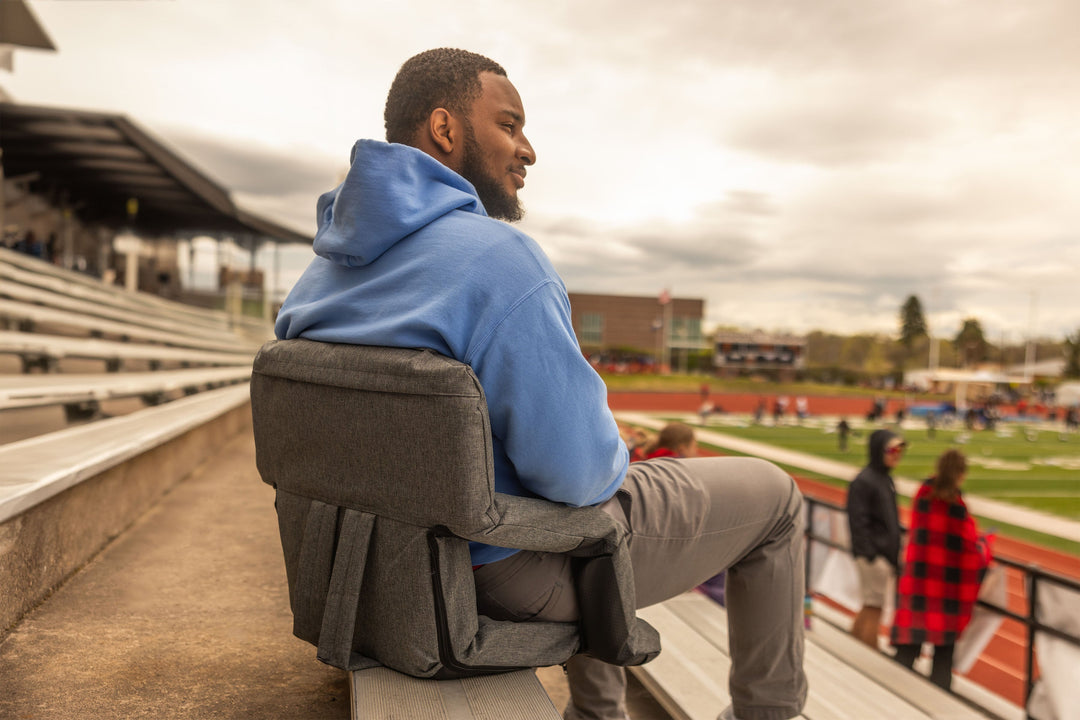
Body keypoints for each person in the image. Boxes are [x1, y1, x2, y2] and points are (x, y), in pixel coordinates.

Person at [274, 48, 807, 720]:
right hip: (498, 577)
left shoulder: (314, 283)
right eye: (509, 125)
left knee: (564, 502)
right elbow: (582, 477)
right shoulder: (503, 262)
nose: (528, 150)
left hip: (372, 581)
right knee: (776, 501)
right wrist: (609, 441)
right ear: (444, 129)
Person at [891, 450, 994, 690]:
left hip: (918, 583)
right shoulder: (956, 507)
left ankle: (891, 697)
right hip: (945, 591)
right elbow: (969, 551)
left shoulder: (922, 495)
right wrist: (986, 544)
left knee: (907, 650)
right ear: (960, 474)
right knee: (943, 656)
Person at [845, 429, 905, 648]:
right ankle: (868, 656)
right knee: (874, 607)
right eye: (891, 449)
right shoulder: (865, 481)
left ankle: (854, 649)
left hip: (882, 555)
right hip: (874, 556)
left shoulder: (884, 479)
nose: (896, 454)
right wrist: (870, 553)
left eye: (900, 450)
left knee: (870, 605)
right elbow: (857, 521)